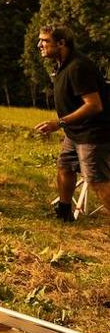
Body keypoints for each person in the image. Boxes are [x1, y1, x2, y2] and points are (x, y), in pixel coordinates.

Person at [34, 24, 110, 222]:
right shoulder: (61, 64)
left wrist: (58, 123)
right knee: (65, 167)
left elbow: (94, 105)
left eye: (45, 41)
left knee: (97, 180)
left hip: (93, 133)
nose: (39, 45)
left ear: (61, 43)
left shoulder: (78, 66)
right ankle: (64, 212)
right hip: (74, 131)